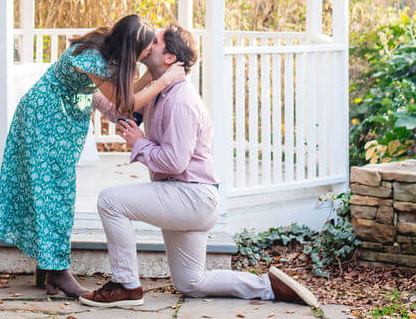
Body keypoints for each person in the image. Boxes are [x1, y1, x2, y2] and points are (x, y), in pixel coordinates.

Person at [80, 24, 320, 309]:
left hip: (191, 197)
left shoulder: (181, 101)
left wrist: (140, 141)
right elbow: (120, 109)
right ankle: (269, 287)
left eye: (155, 41)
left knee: (110, 201)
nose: (147, 41)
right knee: (191, 283)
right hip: (186, 196)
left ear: (169, 58)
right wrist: (84, 87)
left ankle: (125, 284)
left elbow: (174, 162)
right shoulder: (160, 93)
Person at [0, 14, 185, 298]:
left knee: (51, 190)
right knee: (54, 192)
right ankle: (58, 272)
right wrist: (165, 79)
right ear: (131, 47)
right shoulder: (95, 56)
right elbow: (126, 102)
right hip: (46, 117)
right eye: (144, 52)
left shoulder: (108, 50)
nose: (147, 55)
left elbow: (119, 94)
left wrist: (147, 78)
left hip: (57, 118)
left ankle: (47, 268)